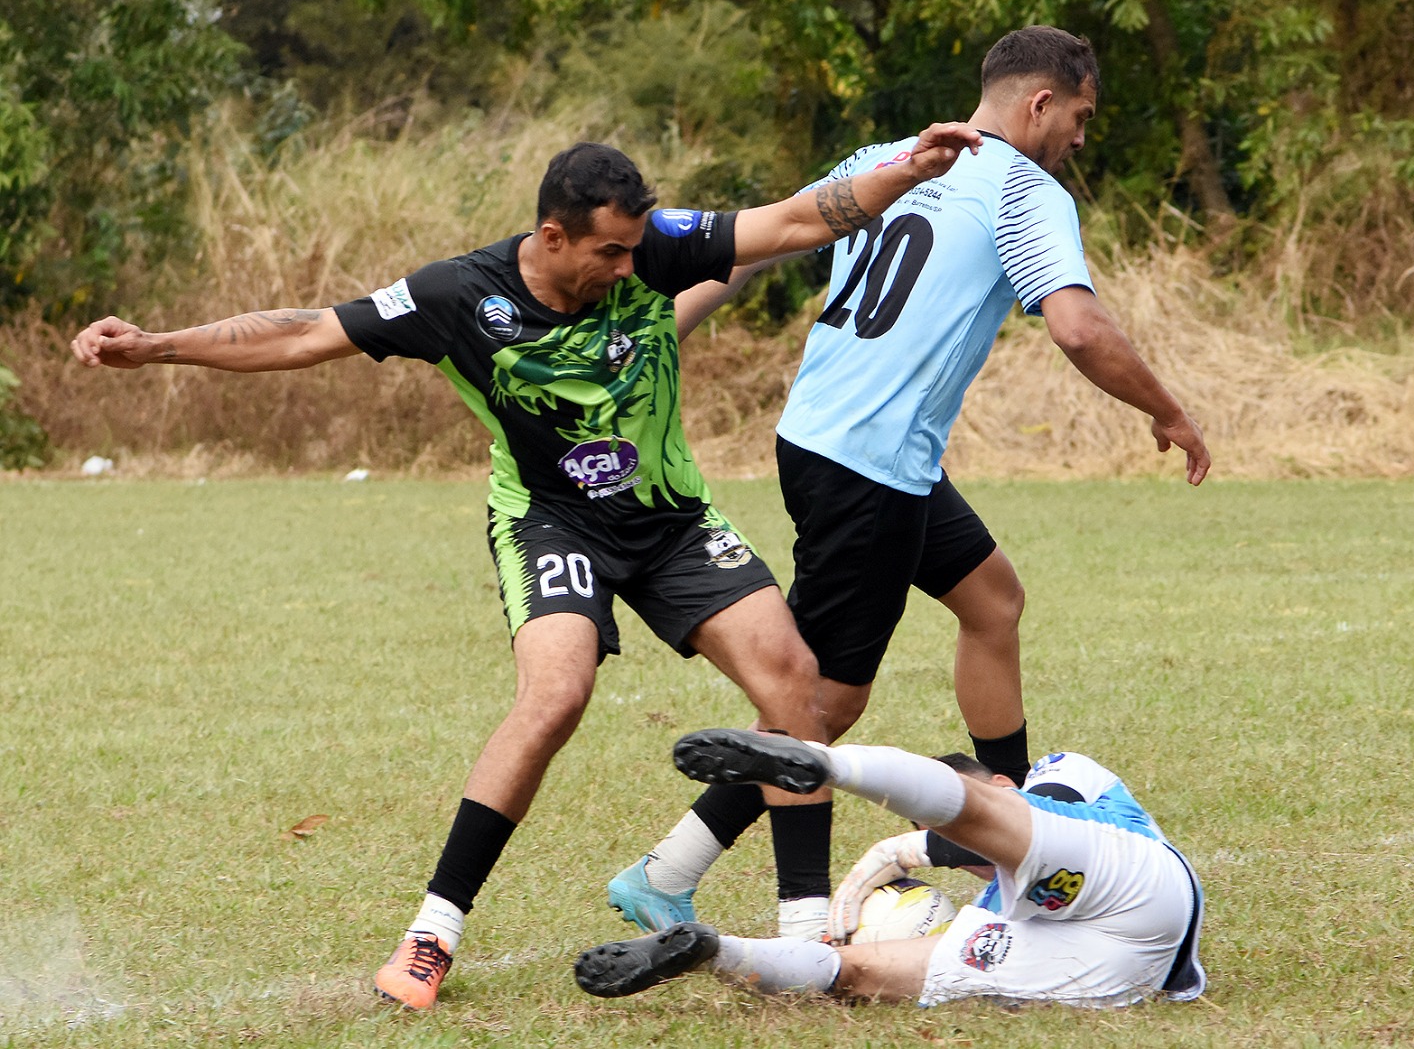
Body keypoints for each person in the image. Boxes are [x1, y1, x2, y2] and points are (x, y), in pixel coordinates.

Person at [68, 124, 982, 1011]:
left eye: (635, 251)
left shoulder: (654, 244)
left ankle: (806, 930)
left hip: (669, 518)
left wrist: (910, 167)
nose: (631, 270)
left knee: (795, 685)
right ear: (552, 235)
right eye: (611, 253)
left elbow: (792, 220)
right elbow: (308, 332)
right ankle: (432, 930)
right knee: (556, 693)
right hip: (552, 525)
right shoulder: (457, 295)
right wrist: (156, 345)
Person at [609, 26, 1211, 942]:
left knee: (994, 599)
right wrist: (1168, 411)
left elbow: (747, 250)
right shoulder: (1024, 189)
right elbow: (1079, 329)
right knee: (820, 704)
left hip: (836, 443)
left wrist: (658, 343)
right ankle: (667, 872)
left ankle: (1002, 829)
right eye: (1080, 117)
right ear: (1039, 103)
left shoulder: (889, 157)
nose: (1081, 138)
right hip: (870, 467)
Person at [578, 728, 1205, 1008]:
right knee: (853, 976)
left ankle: (823, 764)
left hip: (1139, 893)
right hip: (1115, 971)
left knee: (992, 817)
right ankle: (712, 950)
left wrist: (886, 858)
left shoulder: (1066, 776)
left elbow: (996, 825)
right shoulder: (990, 909)